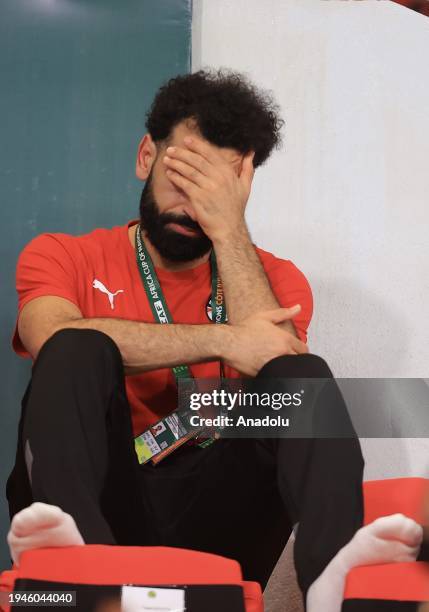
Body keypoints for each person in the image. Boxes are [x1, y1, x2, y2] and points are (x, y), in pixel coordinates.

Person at [6, 69, 422, 611]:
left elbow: (277, 368)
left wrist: (228, 228)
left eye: (215, 189)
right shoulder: (62, 254)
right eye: (183, 176)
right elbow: (50, 336)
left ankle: (331, 581)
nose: (191, 205)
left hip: (220, 511)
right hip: (108, 494)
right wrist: (223, 340)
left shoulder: (277, 277)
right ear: (145, 157)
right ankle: (75, 566)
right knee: (75, 347)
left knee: (299, 378)